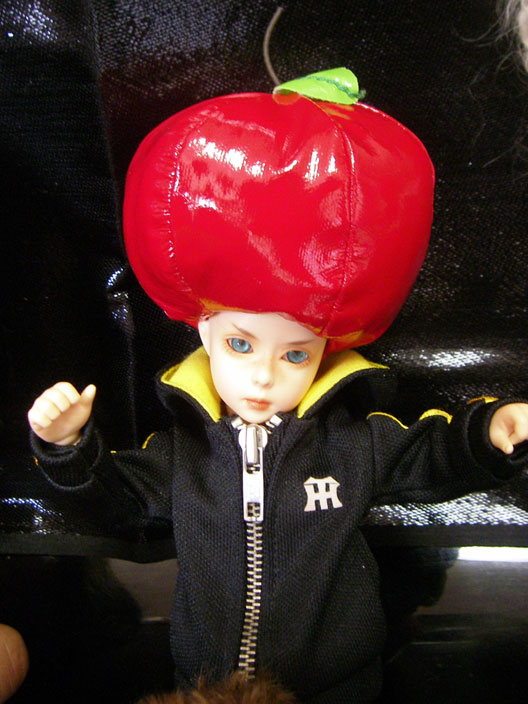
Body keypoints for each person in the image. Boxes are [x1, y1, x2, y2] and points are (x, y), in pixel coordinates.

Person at [27, 70, 528, 703]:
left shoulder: (352, 443)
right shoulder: (185, 454)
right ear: (204, 333)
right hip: (209, 688)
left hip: (337, 686)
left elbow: (432, 456)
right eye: (240, 345)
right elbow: (115, 503)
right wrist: (70, 449)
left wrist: (487, 433)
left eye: (296, 354)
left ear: (326, 351)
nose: (264, 376)